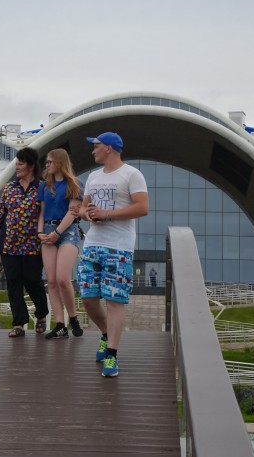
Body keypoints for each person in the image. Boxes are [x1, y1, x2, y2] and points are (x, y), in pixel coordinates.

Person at [78, 132, 149, 377]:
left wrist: (107, 214)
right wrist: (88, 215)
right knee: (88, 298)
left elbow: (142, 207)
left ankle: (112, 354)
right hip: (93, 243)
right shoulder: (93, 177)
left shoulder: (131, 174)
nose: (92, 150)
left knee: (114, 300)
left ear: (108, 148)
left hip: (119, 246)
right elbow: (82, 208)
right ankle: (107, 333)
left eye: (95, 146)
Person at [0, 147, 49, 338]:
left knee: (33, 280)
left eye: (20, 163)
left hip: (33, 245)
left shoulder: (43, 187)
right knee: (13, 283)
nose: (17, 167)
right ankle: (19, 323)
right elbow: (0, 214)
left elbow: (51, 214)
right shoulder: (9, 188)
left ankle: (42, 314)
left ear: (31, 165)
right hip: (10, 244)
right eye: (16, 164)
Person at [37, 148, 84, 339]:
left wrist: (57, 233)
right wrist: (40, 233)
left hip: (67, 231)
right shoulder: (44, 186)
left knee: (63, 278)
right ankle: (60, 324)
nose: (46, 165)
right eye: (46, 163)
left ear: (59, 162)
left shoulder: (75, 184)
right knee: (52, 281)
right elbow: (41, 211)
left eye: (49, 162)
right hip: (48, 232)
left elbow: (73, 212)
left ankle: (72, 318)